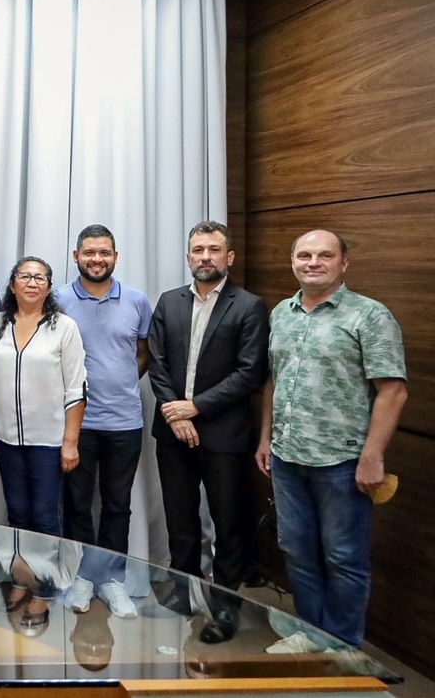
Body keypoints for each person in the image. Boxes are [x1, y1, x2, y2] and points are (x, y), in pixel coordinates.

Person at [257, 230, 406, 651]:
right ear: (293, 262)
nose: (313, 262)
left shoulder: (369, 316)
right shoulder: (282, 314)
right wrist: (266, 438)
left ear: (344, 264)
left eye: (325, 255)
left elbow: (393, 390)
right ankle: (311, 633)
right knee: (298, 551)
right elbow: (274, 380)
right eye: (304, 255)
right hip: (287, 457)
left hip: (342, 461)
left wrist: (373, 455)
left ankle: (342, 648)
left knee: (344, 557)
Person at [147, 221, 269, 644]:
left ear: (228, 257)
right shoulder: (168, 302)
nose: (205, 257)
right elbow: (156, 363)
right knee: (180, 521)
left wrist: (197, 406)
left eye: (214, 250)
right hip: (173, 434)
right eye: (198, 249)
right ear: (188, 257)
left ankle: (224, 606)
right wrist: (176, 416)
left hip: (224, 435)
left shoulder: (249, 306)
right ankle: (182, 593)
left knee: (227, 522)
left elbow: (251, 372)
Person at [55, 224, 152, 619]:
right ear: (76, 256)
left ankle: (111, 580)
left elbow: (143, 353)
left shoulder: (137, 300)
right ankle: (82, 577)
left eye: (105, 253)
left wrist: (122, 381)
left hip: (125, 422)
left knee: (117, 505)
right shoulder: (57, 298)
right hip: (74, 425)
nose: (97, 259)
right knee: (77, 505)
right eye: (89, 253)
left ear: (115, 257)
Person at [0, 256, 87, 536]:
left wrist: (70, 443)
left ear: (49, 288)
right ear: (12, 285)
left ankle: (48, 579)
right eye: (25, 276)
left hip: (49, 441)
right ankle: (23, 578)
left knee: (45, 516)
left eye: (40, 278)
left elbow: (76, 388)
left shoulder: (64, 327)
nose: (32, 283)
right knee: (17, 513)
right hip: (5, 438)